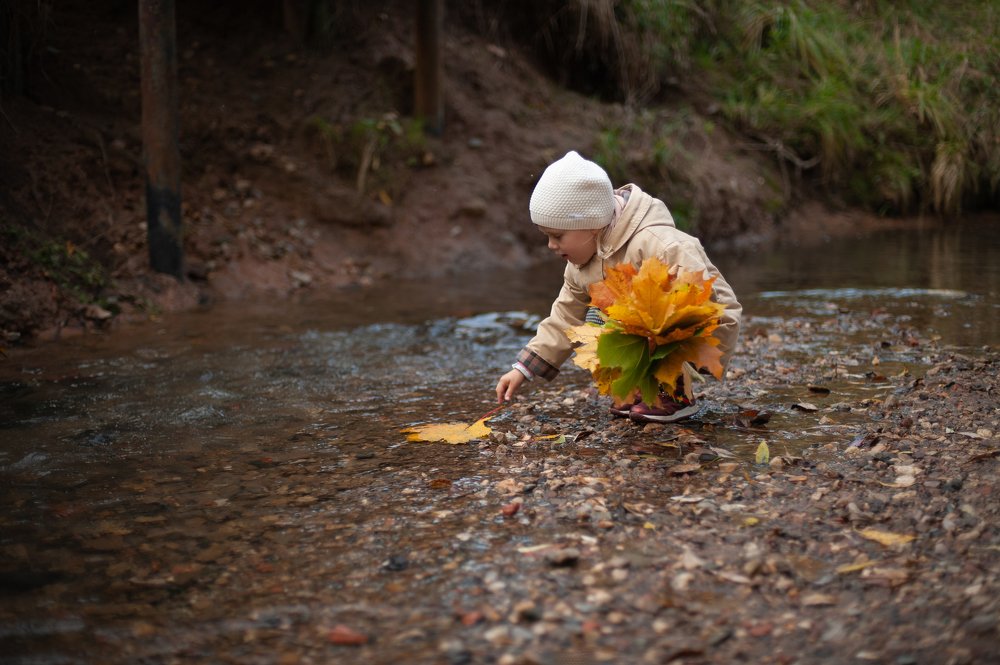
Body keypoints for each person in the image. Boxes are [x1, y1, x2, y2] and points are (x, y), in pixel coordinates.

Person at [494, 150, 742, 423]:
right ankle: (637, 389)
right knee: (594, 316)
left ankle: (674, 393)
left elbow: (700, 296)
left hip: (704, 321)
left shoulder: (658, 242)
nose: (551, 246)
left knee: (643, 314)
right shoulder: (582, 265)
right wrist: (523, 368)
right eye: (547, 236)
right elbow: (564, 318)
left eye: (557, 236)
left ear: (591, 225)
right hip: (645, 325)